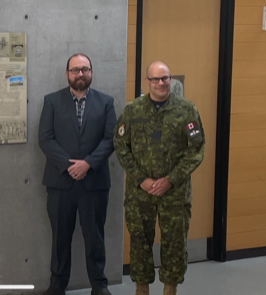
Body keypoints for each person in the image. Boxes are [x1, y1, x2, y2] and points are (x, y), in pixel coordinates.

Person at [113, 61, 205, 295]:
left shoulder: (186, 110)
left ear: (170, 79)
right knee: (140, 242)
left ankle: (170, 290)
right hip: (140, 193)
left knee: (175, 243)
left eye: (165, 78)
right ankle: (141, 289)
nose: (161, 83)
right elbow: (121, 147)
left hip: (174, 192)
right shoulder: (133, 111)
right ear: (148, 82)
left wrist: (171, 179)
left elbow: (196, 149)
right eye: (155, 79)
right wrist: (141, 179)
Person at [39, 54, 117, 295]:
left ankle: (99, 285)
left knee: (95, 238)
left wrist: (88, 164)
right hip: (61, 183)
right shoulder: (52, 101)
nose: (80, 74)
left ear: (91, 72)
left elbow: (111, 138)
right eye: (75, 70)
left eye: (85, 69)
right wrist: (69, 165)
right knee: (60, 238)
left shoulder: (106, 102)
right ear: (67, 74)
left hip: (94, 182)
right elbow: (45, 138)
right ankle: (58, 284)